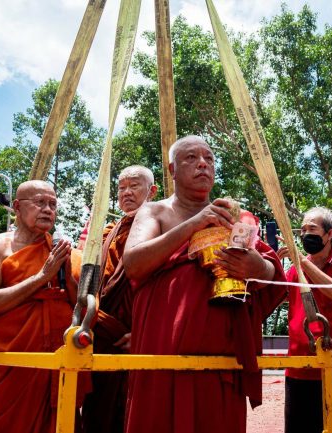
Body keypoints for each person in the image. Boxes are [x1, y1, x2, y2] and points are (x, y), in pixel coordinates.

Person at [123, 135, 287, 433]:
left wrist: (255, 266)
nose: (202, 164)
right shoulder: (155, 211)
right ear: (172, 170)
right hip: (162, 355)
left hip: (221, 363)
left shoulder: (231, 215)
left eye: (209, 159)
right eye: (191, 158)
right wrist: (195, 224)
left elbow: (272, 273)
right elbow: (133, 263)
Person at [0, 180, 88, 433]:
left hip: (60, 364)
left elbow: (83, 308)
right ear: (16, 207)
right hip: (14, 365)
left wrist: (66, 274)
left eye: (53, 204)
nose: (48, 209)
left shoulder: (63, 251)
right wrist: (41, 278)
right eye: (39, 203)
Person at [81, 165, 157, 433]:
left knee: (137, 415)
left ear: (152, 191)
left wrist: (148, 332)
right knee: (98, 413)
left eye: (134, 186)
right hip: (103, 337)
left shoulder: (162, 230)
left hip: (143, 340)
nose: (126, 192)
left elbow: (169, 288)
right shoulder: (109, 233)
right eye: (121, 187)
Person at [276, 207, 332, 433]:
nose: (305, 235)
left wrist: (301, 261)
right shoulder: (294, 270)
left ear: (330, 234)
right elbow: (273, 297)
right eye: (302, 230)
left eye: (312, 229)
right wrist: (268, 260)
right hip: (299, 369)